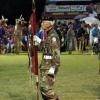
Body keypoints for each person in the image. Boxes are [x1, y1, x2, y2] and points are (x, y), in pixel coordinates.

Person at [34, 20, 60, 100]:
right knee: (43, 88)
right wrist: (38, 40)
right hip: (45, 66)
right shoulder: (49, 36)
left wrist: (53, 68)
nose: (42, 30)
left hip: (50, 67)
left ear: (48, 28)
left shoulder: (53, 37)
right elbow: (45, 46)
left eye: (43, 29)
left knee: (45, 88)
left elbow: (56, 55)